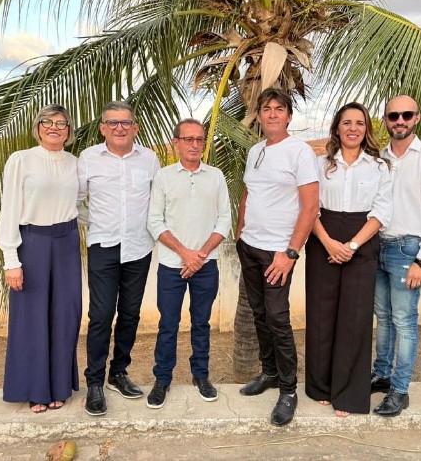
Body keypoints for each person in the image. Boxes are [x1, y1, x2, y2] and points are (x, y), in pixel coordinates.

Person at [236, 88, 319, 426]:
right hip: (249, 247)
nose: (272, 114)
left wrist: (290, 253)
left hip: (278, 252)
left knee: (277, 318)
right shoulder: (255, 150)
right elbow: (248, 193)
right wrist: (240, 232)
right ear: (259, 115)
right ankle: (269, 372)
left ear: (289, 116)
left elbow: (310, 207)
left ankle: (288, 390)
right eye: (266, 108)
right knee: (259, 314)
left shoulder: (300, 152)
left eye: (279, 108)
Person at [304, 102, 393, 418]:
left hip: (362, 241)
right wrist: (329, 243)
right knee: (321, 313)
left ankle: (349, 394)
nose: (353, 128)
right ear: (337, 128)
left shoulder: (380, 167)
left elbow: (381, 212)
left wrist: (352, 245)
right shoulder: (318, 164)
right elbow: (309, 208)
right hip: (322, 238)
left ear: (366, 129)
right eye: (347, 122)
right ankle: (320, 386)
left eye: (360, 123)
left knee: (355, 319)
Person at [77, 101, 160, 416]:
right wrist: (97, 223)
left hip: (139, 247)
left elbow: (158, 200)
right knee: (100, 315)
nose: (119, 128)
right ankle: (95, 382)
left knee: (129, 314)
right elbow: (76, 201)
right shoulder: (88, 158)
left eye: (125, 122)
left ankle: (118, 372)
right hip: (104, 246)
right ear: (103, 128)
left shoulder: (149, 159)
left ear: (135, 128)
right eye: (112, 123)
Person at [0, 104, 82, 414]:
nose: (54, 127)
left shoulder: (75, 163)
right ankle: (36, 389)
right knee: (32, 317)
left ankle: (59, 386)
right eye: (47, 122)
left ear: (69, 131)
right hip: (32, 242)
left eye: (61, 123)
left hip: (67, 242)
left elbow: (81, 204)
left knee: (65, 315)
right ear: (38, 127)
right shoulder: (21, 160)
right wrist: (11, 260)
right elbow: (9, 208)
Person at [372, 95, 421, 417]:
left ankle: (400, 389)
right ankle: (381, 374)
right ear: (386, 120)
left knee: (404, 321)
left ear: (417, 118)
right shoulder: (378, 159)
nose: (400, 121)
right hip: (377, 246)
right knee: (383, 317)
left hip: (408, 250)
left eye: (406, 115)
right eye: (393, 116)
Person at [145, 119, 231, 409]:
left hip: (206, 265)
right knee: (168, 325)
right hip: (172, 264)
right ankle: (162, 379)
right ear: (176, 142)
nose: (195, 145)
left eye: (199, 140)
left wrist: (200, 255)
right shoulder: (164, 177)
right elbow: (154, 221)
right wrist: (185, 253)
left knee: (201, 323)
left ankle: (201, 376)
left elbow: (224, 220)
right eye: (188, 139)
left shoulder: (216, 176)